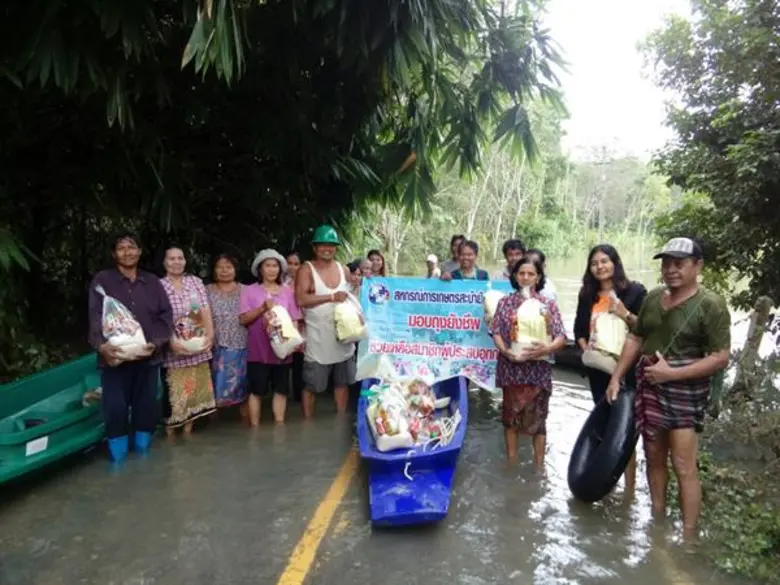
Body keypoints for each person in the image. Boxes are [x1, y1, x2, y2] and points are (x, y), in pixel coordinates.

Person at [606, 237, 730, 540]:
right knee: (653, 455)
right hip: (650, 386)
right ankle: (657, 522)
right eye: (666, 264)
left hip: (686, 392)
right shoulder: (654, 297)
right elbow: (636, 338)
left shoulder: (710, 305)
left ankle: (688, 537)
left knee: (684, 464)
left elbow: (720, 356)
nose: (671, 270)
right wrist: (616, 375)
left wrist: (673, 374)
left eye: (679, 264)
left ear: (697, 266)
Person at [88, 234, 173, 462]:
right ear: (114, 254)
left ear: (139, 251)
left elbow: (166, 316)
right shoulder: (103, 281)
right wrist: (101, 346)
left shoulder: (152, 282)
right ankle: (118, 460)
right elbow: (96, 317)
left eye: (131, 247)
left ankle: (142, 459)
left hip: (148, 357)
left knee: (145, 408)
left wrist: (155, 343)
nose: (127, 252)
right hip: (114, 359)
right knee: (115, 409)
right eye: (121, 248)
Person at [573, 244, 647, 491]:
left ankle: (629, 490)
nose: (600, 267)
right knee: (605, 425)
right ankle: (605, 481)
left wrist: (624, 313)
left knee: (625, 431)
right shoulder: (588, 296)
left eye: (604, 261)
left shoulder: (635, 291)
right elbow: (579, 331)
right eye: (595, 263)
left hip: (627, 372)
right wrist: (587, 351)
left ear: (615, 262)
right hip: (598, 371)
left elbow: (645, 330)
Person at [489, 255, 566, 469]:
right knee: (510, 419)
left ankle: (539, 467)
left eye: (530, 274)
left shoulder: (547, 304)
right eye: (521, 273)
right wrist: (506, 351)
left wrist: (547, 348)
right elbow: (496, 331)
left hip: (537, 372)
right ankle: (512, 463)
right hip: (511, 369)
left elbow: (561, 336)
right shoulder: (505, 303)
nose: (525, 277)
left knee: (539, 422)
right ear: (514, 276)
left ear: (538, 277)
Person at [295, 225, 356, 417]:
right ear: (315, 248)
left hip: (342, 336)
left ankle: (339, 420)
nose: (327, 249)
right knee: (312, 385)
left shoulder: (343, 268)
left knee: (342, 382)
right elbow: (301, 300)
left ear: (335, 248)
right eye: (322, 245)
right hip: (317, 337)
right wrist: (329, 298)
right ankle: (308, 424)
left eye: (331, 245)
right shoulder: (306, 269)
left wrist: (362, 284)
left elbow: (352, 295)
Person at [239, 249, 303, 424]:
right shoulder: (249, 291)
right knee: (256, 390)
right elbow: (243, 319)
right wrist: (262, 308)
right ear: (260, 269)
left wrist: (294, 343)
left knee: (281, 390)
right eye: (267, 265)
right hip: (258, 351)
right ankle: (255, 428)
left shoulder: (287, 292)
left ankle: (279, 424)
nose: (272, 269)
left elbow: (294, 319)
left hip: (282, 351)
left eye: (275, 265)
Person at [160, 246, 217, 436]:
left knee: (194, 393)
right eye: (172, 258)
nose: (176, 262)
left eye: (180, 258)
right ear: (164, 262)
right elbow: (157, 317)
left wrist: (210, 335)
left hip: (198, 345)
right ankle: (170, 435)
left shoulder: (195, 282)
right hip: (174, 349)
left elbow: (204, 309)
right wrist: (170, 342)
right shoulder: (159, 286)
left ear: (185, 261)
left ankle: (188, 432)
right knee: (175, 396)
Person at [206, 254, 248, 413]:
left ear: (235, 270)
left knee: (242, 386)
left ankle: (245, 424)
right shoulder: (206, 290)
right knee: (214, 386)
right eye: (220, 267)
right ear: (214, 270)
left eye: (229, 267)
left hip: (241, 343)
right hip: (215, 344)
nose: (224, 271)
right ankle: (214, 424)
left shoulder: (246, 290)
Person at [285, 251, 305, 402]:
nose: (292, 267)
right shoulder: (278, 283)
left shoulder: (306, 282)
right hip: (283, 328)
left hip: (303, 327)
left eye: (296, 264)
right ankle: (280, 394)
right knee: (283, 361)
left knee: (299, 363)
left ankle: (299, 397)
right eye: (289, 263)